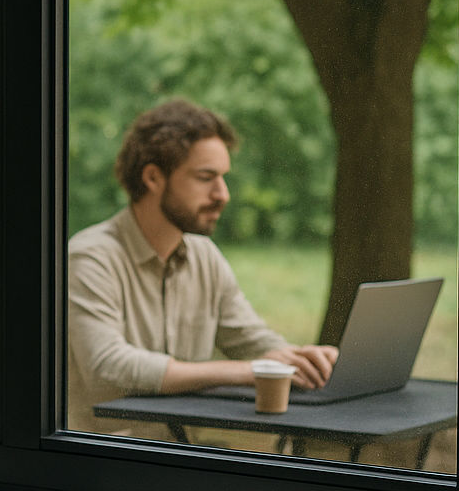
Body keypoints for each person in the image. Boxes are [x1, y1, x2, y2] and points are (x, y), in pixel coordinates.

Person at [67, 99, 338, 432]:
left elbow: (250, 338)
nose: (222, 194)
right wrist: (248, 371)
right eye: (205, 177)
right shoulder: (91, 257)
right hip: (103, 460)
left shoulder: (204, 256)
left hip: (187, 455)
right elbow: (107, 365)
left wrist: (300, 360)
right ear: (153, 177)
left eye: (223, 178)